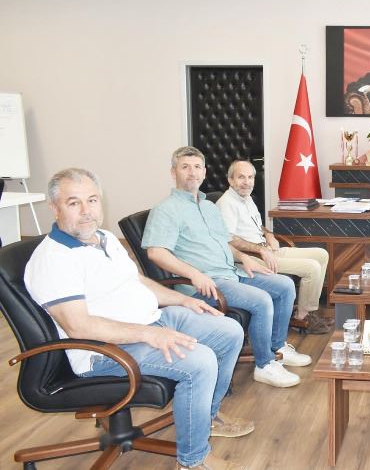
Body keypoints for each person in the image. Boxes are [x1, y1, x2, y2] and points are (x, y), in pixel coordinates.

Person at [24, 168, 250, 470]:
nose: (86, 211)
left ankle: (205, 417)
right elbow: (78, 325)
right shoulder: (54, 259)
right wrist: (150, 334)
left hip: (151, 321)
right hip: (104, 350)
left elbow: (137, 281)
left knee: (229, 331)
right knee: (201, 362)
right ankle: (193, 461)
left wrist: (183, 300)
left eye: (92, 200)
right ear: (55, 208)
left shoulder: (104, 238)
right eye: (74, 202)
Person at [142, 146, 311, 389]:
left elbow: (224, 243)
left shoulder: (208, 207)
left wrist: (244, 257)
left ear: (204, 172)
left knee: (284, 285)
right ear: (173, 172)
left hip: (230, 272)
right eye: (185, 167)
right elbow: (156, 252)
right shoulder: (166, 210)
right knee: (262, 300)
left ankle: (278, 347)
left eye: (197, 167)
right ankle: (264, 365)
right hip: (205, 284)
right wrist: (194, 274)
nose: (192, 172)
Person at [216, 159, 332, 334]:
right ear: (230, 180)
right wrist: (261, 250)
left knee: (321, 254)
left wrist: (269, 234)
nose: (247, 182)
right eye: (241, 177)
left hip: (266, 250)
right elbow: (229, 239)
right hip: (251, 257)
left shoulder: (246, 198)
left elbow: (256, 226)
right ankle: (302, 317)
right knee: (312, 267)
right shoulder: (226, 203)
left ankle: (309, 310)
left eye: (250, 177)